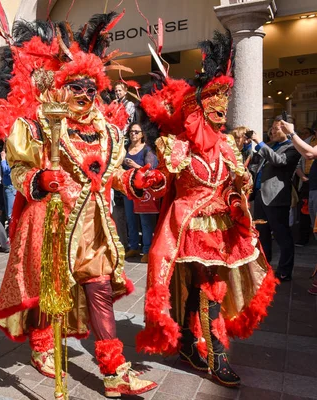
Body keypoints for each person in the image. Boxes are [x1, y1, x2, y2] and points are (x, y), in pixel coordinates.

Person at [0, 12, 157, 397]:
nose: (85, 96)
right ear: (61, 87)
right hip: (51, 221)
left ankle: (113, 369)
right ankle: (41, 344)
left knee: (99, 290)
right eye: (77, 87)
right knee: (49, 293)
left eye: (92, 89)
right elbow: (18, 169)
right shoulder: (38, 123)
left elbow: (113, 173)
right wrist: (38, 180)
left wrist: (137, 180)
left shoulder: (108, 131)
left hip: (94, 227)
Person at [134, 31, 277, 388]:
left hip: (222, 228)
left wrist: (237, 195)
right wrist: (140, 180)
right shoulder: (174, 146)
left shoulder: (227, 145)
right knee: (207, 288)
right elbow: (162, 183)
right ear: (196, 112)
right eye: (212, 112)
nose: (220, 118)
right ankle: (216, 357)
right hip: (186, 229)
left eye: (222, 112)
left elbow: (235, 184)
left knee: (205, 287)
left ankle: (187, 344)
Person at [248, 116, 301, 281]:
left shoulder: (292, 147)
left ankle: (284, 271)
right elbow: (258, 165)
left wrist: (259, 142)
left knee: (282, 235)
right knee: (262, 234)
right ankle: (265, 267)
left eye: (276, 128)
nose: (271, 131)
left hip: (276, 198)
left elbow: (279, 161)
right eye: (271, 127)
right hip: (260, 196)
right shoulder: (271, 146)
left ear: (286, 129)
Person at [279, 118, 317, 294]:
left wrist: (291, 134)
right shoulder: (311, 142)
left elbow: (309, 154)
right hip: (312, 188)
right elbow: (305, 153)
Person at [122, 123, 158, 262]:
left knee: (145, 220)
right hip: (127, 187)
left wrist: (135, 166)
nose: (133, 134)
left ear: (142, 134)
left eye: (136, 132)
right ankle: (133, 246)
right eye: (131, 131)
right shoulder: (125, 149)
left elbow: (151, 170)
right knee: (130, 218)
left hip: (143, 190)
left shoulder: (147, 150)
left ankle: (147, 249)